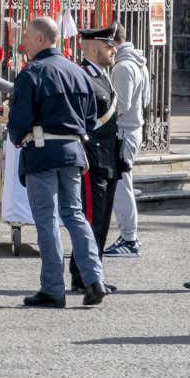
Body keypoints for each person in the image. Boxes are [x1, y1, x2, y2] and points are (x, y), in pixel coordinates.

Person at [8, 16, 107, 308]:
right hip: (73, 151)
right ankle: (94, 279)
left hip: (41, 152)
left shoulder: (32, 73)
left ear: (41, 39)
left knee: (47, 220)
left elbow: (19, 121)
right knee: (75, 215)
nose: (22, 42)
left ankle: (53, 288)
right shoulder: (78, 73)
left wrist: (17, 137)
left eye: (26, 36)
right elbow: (90, 118)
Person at [67, 25, 122, 293]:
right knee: (90, 220)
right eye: (110, 45)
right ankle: (83, 275)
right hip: (92, 159)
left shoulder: (102, 76)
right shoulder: (82, 76)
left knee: (102, 220)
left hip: (109, 159)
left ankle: (94, 272)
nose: (114, 50)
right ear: (94, 47)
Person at [105, 23, 151, 258]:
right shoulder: (136, 61)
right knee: (124, 185)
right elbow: (144, 100)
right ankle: (129, 237)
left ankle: (130, 238)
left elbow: (120, 105)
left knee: (122, 187)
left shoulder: (123, 66)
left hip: (124, 132)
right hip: (132, 129)